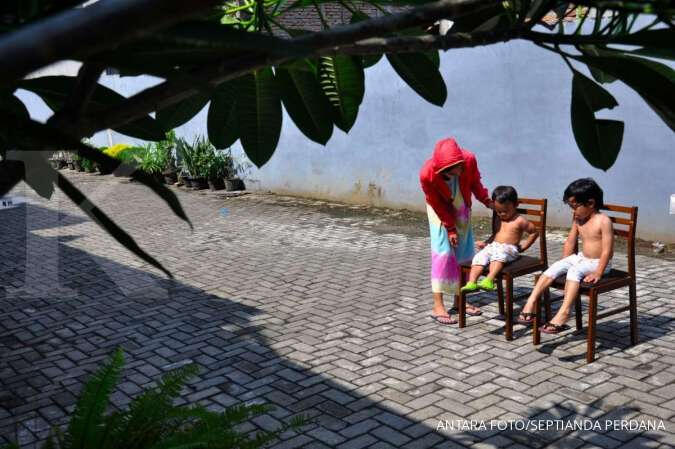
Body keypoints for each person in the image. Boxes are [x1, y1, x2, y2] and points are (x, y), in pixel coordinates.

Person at [517, 178, 613, 333]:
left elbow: (608, 251)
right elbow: (570, 242)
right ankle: (531, 301)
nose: (572, 211)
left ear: (590, 203)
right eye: (571, 207)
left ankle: (564, 312)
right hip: (582, 258)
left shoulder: (603, 221)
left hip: (599, 262)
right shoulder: (579, 219)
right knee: (555, 267)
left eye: (575, 206)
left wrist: (598, 272)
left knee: (574, 271)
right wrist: (565, 261)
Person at [420, 137, 493, 325]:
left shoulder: (468, 160)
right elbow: (436, 202)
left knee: (465, 252)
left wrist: (486, 200)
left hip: (461, 203)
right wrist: (450, 228)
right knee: (443, 253)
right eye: (456, 169)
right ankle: (438, 306)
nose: (460, 170)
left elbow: (475, 182)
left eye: (460, 166)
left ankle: (461, 301)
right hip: (439, 209)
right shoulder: (428, 174)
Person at [461, 186, 539, 292]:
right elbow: (496, 235)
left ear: (516, 205)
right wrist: (486, 244)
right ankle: (472, 282)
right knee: (479, 256)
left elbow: (534, 232)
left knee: (499, 255)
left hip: (509, 249)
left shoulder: (519, 220)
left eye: (505, 211)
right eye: (498, 211)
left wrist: (524, 246)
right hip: (495, 246)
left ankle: (489, 279)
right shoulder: (500, 218)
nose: (501, 214)